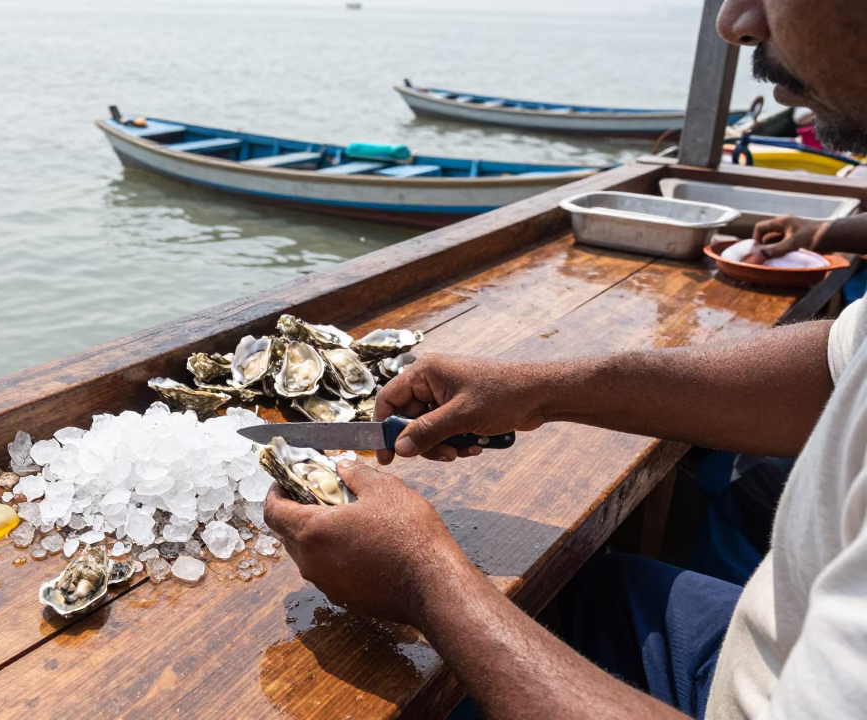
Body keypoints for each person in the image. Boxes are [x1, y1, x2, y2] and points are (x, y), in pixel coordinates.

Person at [263, 1, 867, 718]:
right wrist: (540, 388)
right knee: (578, 584)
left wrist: (424, 580)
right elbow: (836, 369)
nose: (734, 21)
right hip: (767, 644)